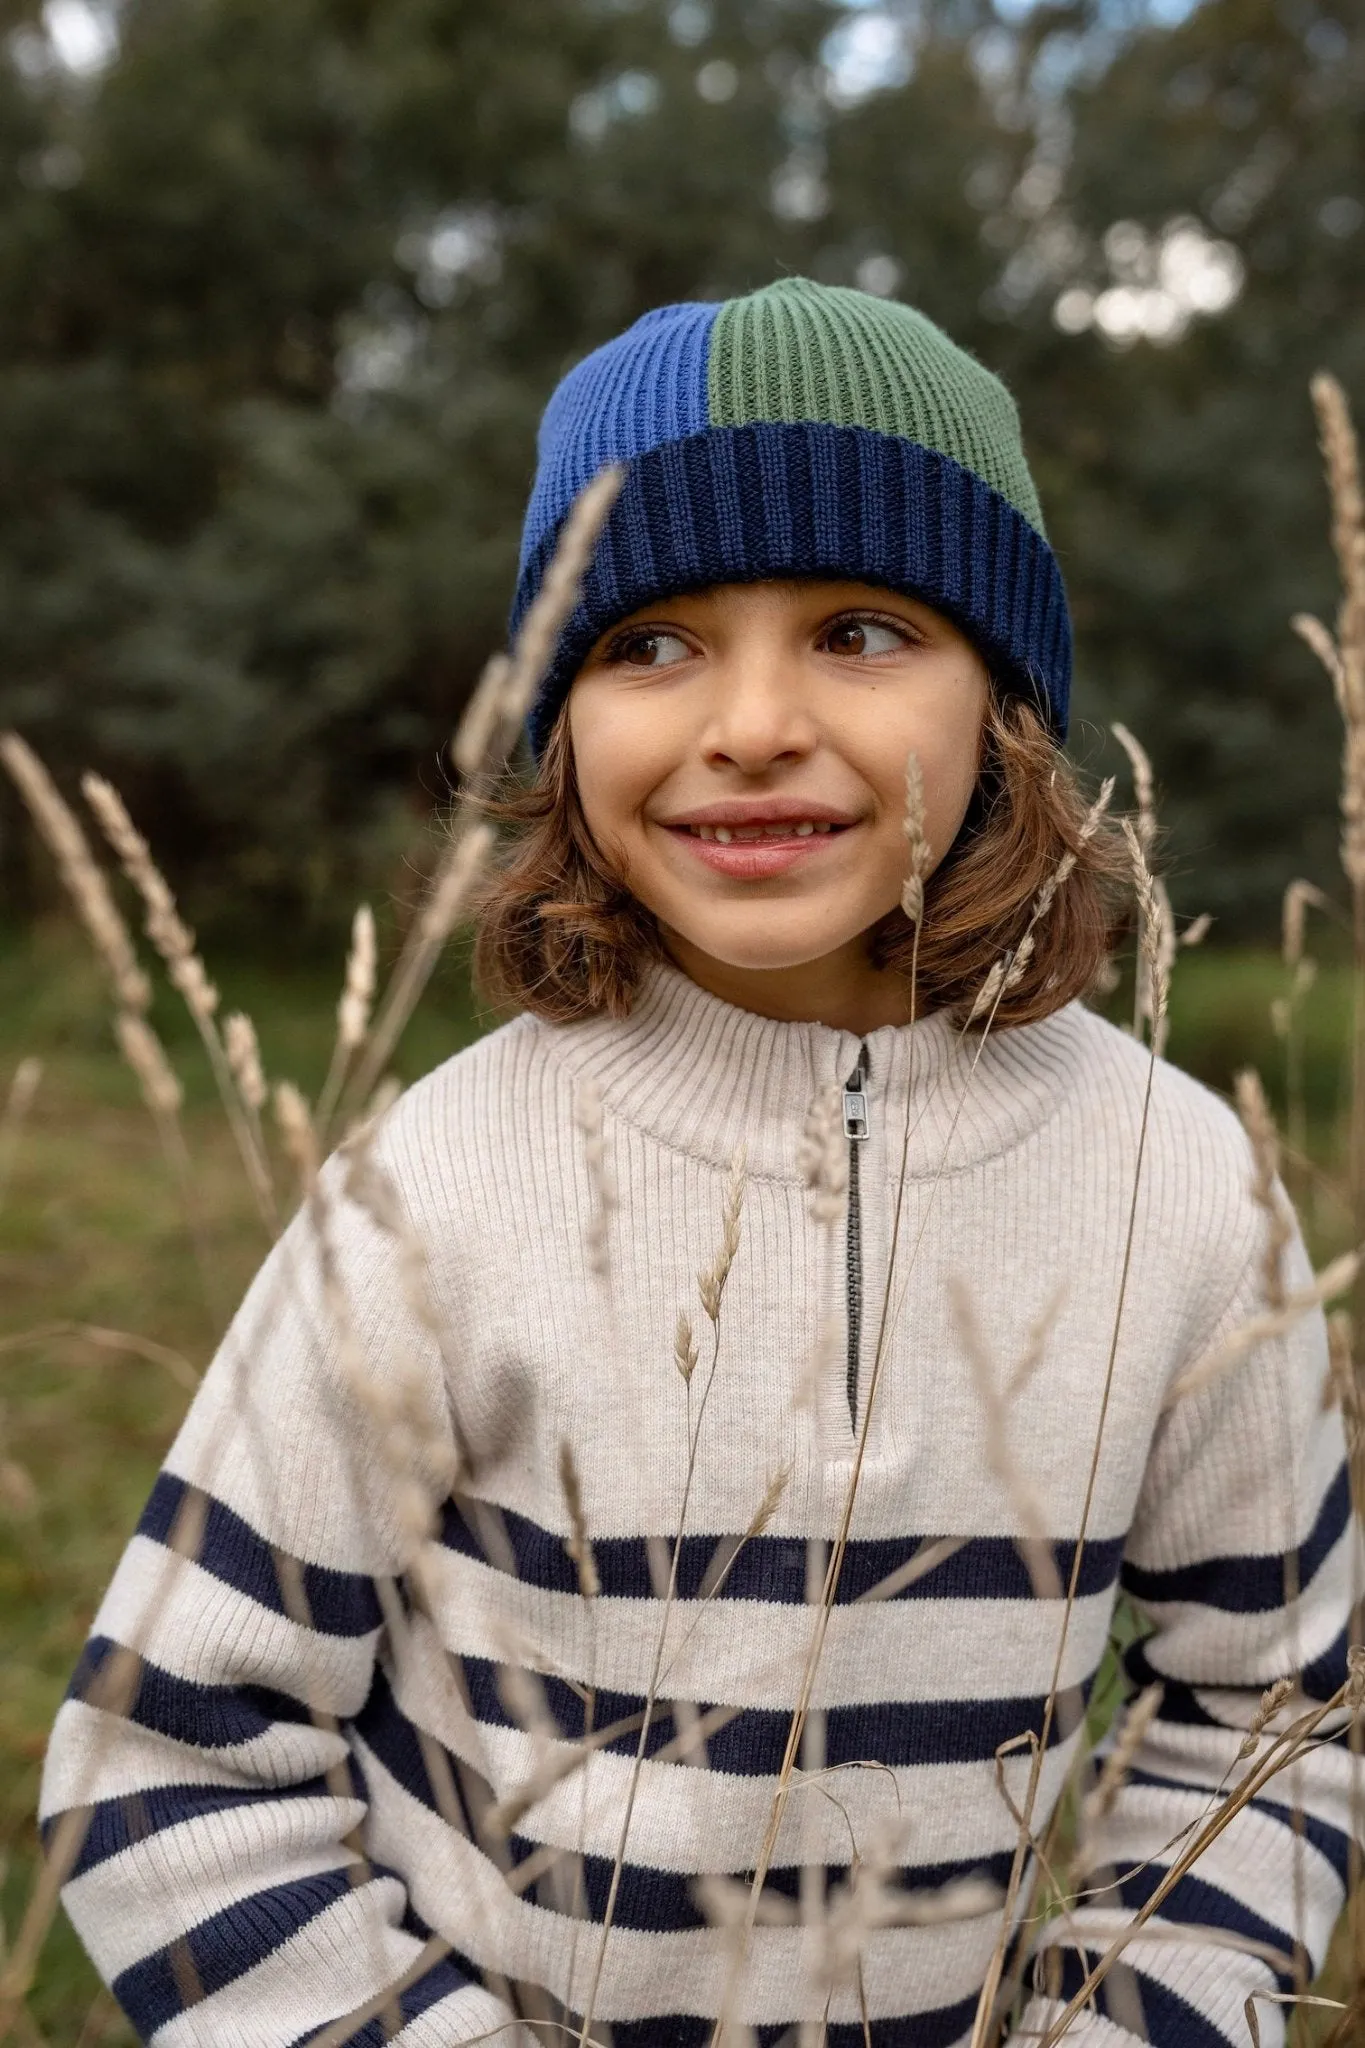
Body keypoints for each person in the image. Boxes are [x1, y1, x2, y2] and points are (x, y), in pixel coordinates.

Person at [42, 278, 1357, 2047]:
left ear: (1008, 703)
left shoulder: (1177, 1190)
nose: (748, 721)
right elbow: (164, 1759)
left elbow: (1280, 1717)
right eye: (650, 643)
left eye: (862, 630)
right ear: (556, 715)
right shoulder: (436, 1187)